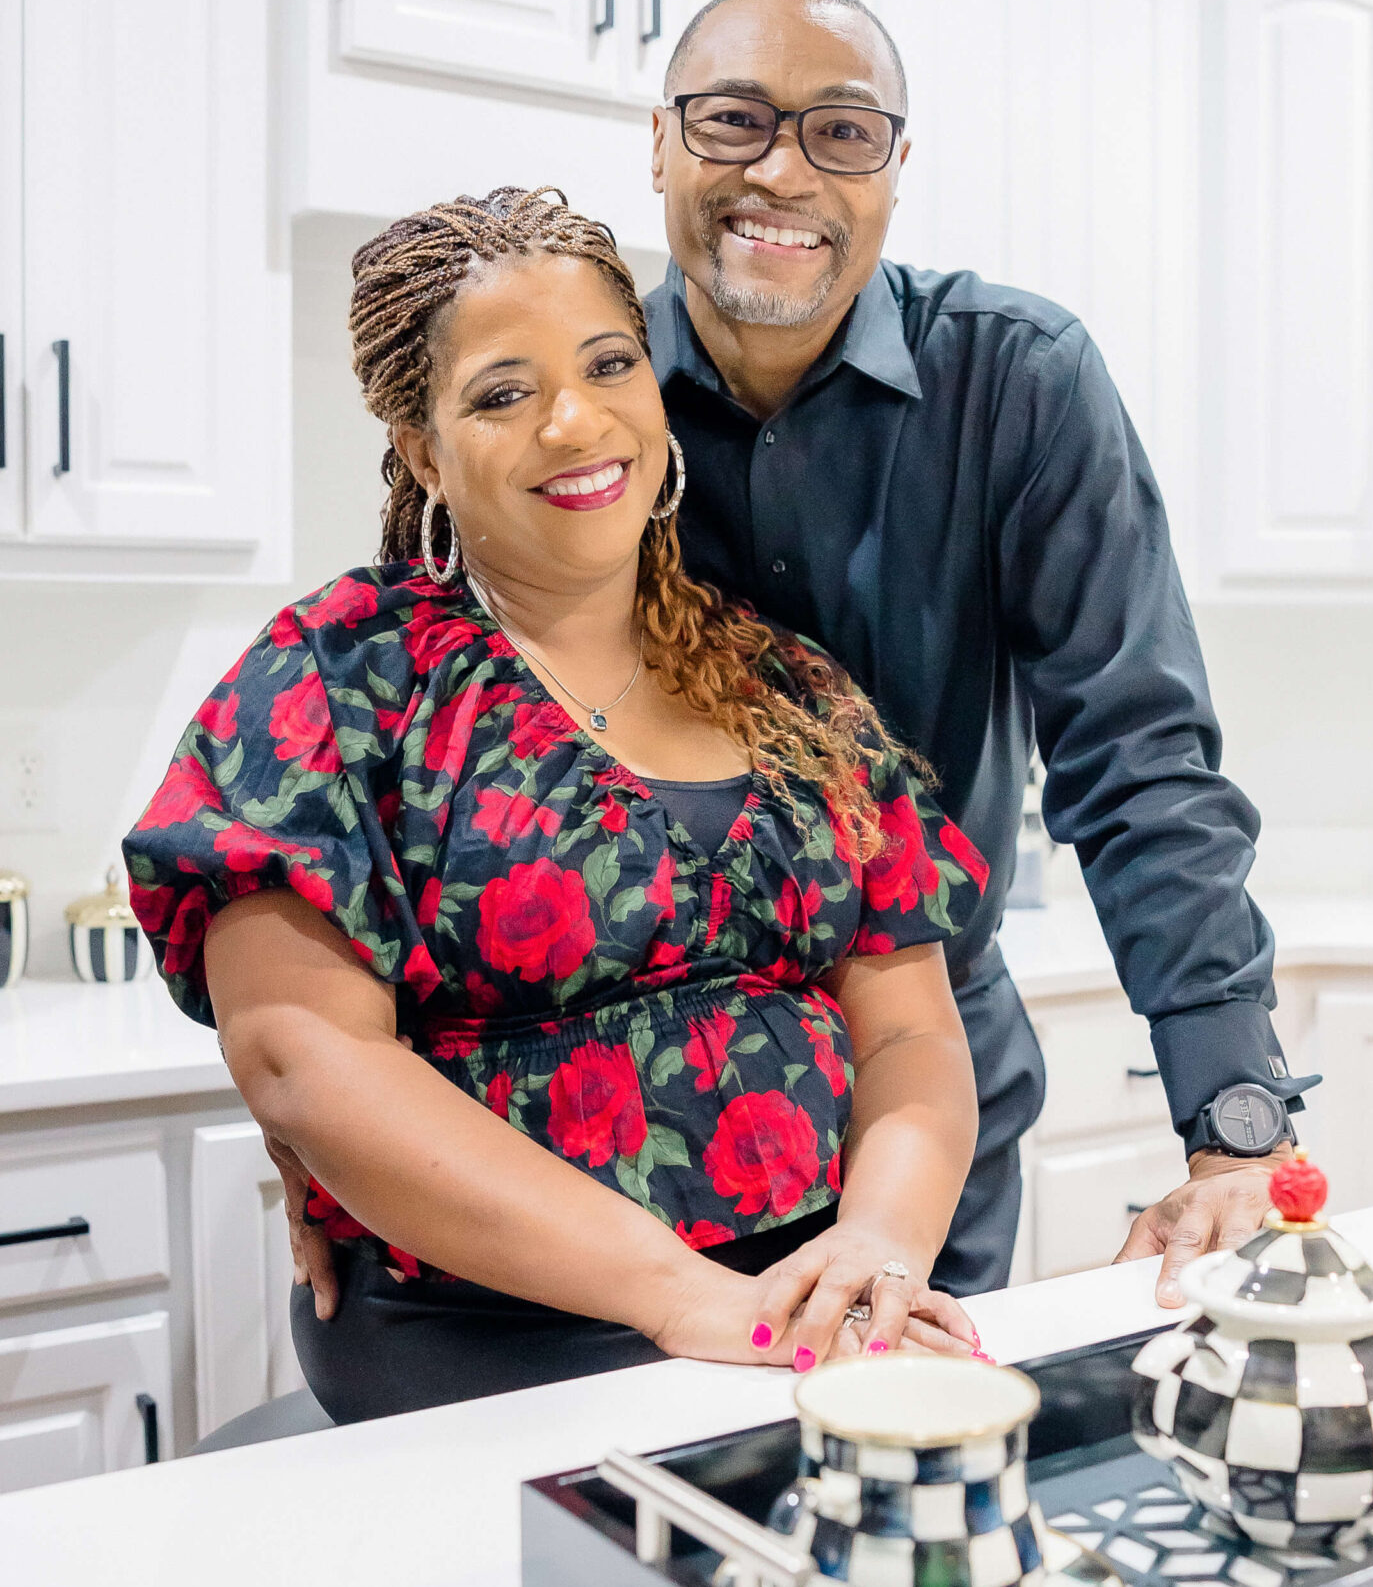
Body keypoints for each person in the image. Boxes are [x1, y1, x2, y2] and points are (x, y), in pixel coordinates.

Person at [123, 190, 986, 1423]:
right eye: (500, 392)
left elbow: (908, 1032)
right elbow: (304, 1055)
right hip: (490, 1334)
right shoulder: (340, 674)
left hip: (810, 1300)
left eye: (607, 363)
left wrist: (882, 1245)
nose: (575, 421)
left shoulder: (790, 685)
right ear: (422, 448)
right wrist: (678, 1295)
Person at [645, 0, 1320, 1304]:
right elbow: (449, 745)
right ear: (658, 140)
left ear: (897, 167)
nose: (781, 167)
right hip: (621, 1125)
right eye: (732, 119)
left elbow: (1134, 752)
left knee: (915, 1487)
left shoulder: (1018, 382)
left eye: (840, 131)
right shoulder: (574, 388)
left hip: (933, 1102)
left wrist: (1235, 1116)